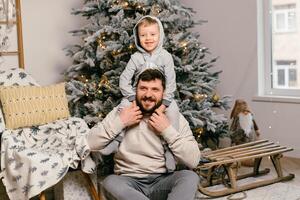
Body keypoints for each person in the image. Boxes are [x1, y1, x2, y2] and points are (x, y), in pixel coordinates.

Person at [88, 69, 201, 200]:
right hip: (128, 182)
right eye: (143, 88)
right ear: (135, 90)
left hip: (163, 180)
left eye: (155, 89)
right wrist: (121, 122)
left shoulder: (173, 117)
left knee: (189, 177)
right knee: (109, 182)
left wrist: (167, 130)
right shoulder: (122, 112)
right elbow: (90, 143)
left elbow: (193, 160)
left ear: (163, 94)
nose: (148, 94)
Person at [100, 15, 179, 172]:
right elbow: (124, 80)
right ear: (137, 37)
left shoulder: (165, 57)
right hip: (138, 97)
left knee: (174, 110)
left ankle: (169, 150)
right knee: (123, 106)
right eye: (143, 35)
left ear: (160, 35)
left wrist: (163, 105)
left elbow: (171, 83)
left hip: (161, 99)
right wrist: (132, 98)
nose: (148, 38)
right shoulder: (136, 58)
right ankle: (117, 139)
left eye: (152, 34)